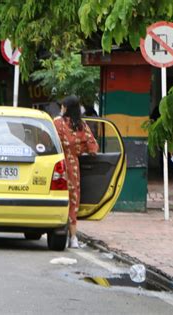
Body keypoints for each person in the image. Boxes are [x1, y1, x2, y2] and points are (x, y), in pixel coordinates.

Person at [53, 95, 99, 248]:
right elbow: (93, 148)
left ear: (65, 108)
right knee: (73, 201)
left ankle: (56, 229)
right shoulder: (81, 125)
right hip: (72, 167)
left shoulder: (57, 123)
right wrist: (78, 149)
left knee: (56, 198)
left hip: (54, 165)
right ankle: (73, 238)